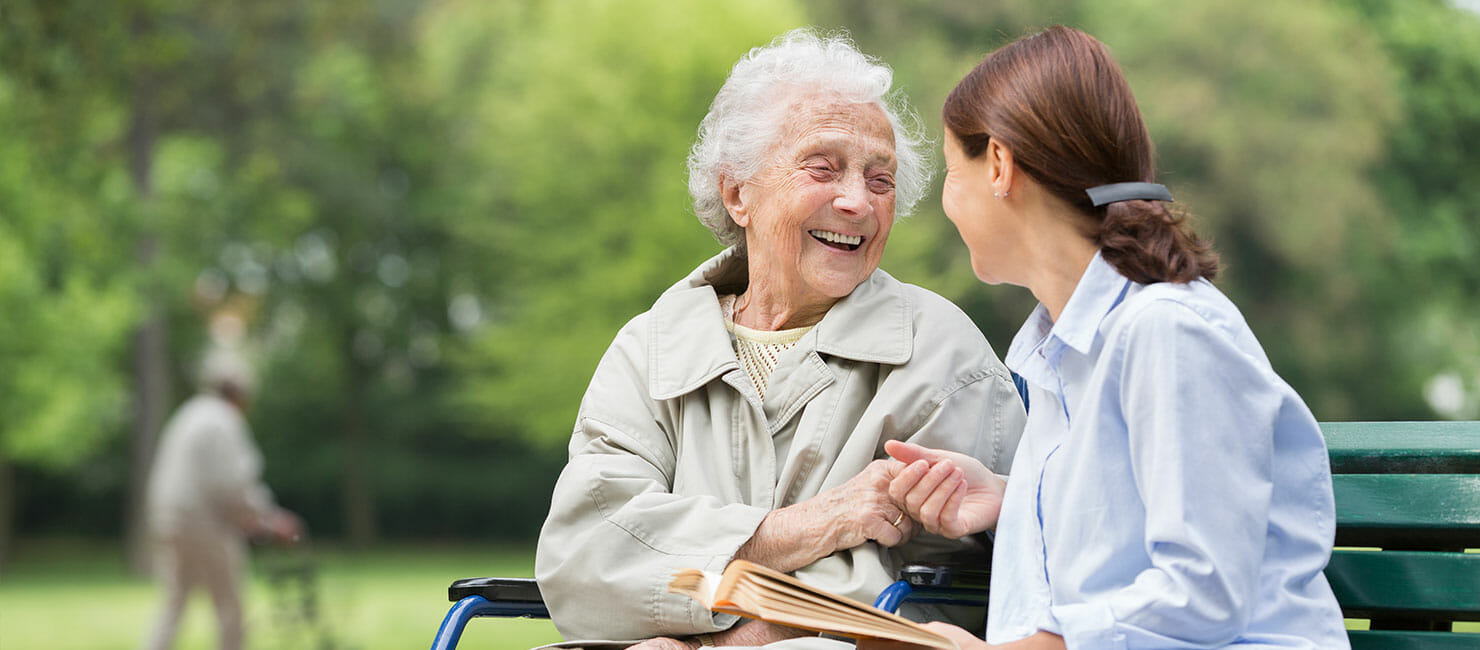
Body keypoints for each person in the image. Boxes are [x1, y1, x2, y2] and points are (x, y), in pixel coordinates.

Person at [534, 28, 1026, 649]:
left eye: (881, 180)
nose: (858, 202)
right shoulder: (650, 349)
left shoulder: (941, 352)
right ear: (738, 193)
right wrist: (808, 526)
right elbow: (584, 555)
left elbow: (950, 591)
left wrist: (718, 637)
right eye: (823, 169)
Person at [873, 26, 1349, 649]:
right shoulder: (1063, 348)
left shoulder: (1169, 332)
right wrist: (1011, 499)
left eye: (948, 170)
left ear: (997, 165)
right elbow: (1145, 510)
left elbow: (1204, 590)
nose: (945, 200)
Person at [143, 346, 303, 650]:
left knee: (174, 602)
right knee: (231, 606)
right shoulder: (224, 421)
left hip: (167, 520)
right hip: (204, 523)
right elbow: (234, 485)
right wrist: (270, 519)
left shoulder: (190, 412)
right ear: (240, 394)